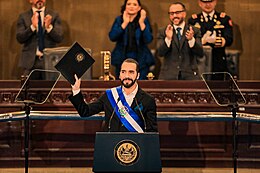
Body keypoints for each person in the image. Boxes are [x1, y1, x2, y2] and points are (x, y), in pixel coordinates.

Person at [69, 58, 158, 132]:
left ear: (138, 75)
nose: (126, 75)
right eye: (123, 72)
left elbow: (152, 132)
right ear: (119, 75)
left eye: (131, 72)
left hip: (135, 148)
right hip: (112, 146)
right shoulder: (110, 95)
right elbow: (85, 111)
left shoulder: (148, 100)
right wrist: (76, 90)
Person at [16, 0, 63, 79]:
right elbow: (20, 38)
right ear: (30, 0)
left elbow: (59, 38)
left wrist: (49, 28)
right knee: (29, 90)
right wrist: (32, 27)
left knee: (50, 90)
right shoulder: (23, 16)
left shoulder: (54, 15)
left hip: (49, 61)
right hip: (30, 63)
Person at [109, 0, 155, 80]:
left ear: (139, 8)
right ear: (125, 6)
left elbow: (149, 39)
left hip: (141, 59)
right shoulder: (119, 20)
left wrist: (141, 23)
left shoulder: (143, 20)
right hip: (122, 58)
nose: (131, 6)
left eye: (134, 4)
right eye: (129, 4)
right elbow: (112, 37)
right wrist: (125, 23)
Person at [157, 2, 204, 80]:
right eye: (171, 13)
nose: (174, 16)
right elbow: (160, 53)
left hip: (190, 76)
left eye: (177, 13)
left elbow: (200, 53)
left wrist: (191, 40)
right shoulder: (163, 31)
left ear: (184, 14)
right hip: (168, 76)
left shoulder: (194, 31)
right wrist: (168, 39)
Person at [188, 0, 233, 73]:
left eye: (210, 1)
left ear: (215, 2)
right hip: (199, 61)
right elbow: (189, 42)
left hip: (218, 61)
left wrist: (217, 40)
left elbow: (229, 39)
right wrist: (202, 41)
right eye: (204, 2)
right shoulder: (193, 20)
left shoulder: (224, 19)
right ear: (199, 3)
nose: (208, 4)